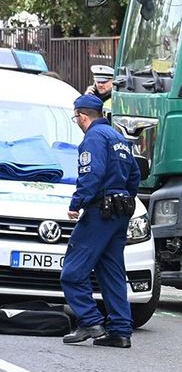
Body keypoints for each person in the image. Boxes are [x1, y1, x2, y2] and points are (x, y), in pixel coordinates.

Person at [60, 94, 141, 348]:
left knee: (72, 273)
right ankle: (120, 331)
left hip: (99, 212)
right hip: (119, 211)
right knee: (112, 271)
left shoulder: (93, 138)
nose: (77, 121)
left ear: (82, 116)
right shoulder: (119, 138)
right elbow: (135, 175)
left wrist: (77, 204)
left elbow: (91, 173)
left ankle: (90, 322)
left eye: (76, 118)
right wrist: (123, 198)